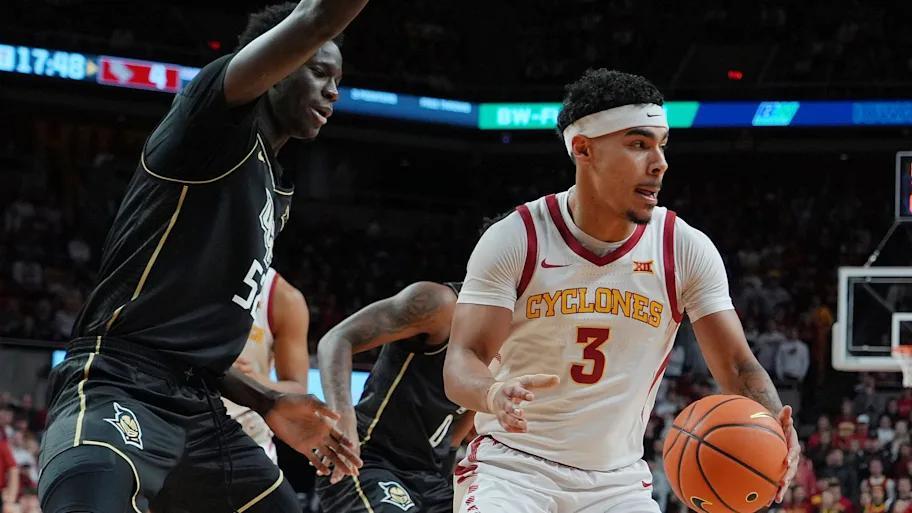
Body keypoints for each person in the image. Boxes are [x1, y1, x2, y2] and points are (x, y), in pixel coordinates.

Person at [37, 2, 369, 513]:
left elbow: (194, 354)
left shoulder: (273, 189)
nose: (333, 91)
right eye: (319, 72)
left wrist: (268, 401)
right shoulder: (212, 126)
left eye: (338, 81)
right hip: (120, 383)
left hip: (200, 406)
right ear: (278, 67)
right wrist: (312, 27)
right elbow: (317, 17)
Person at [443, 68, 800, 513]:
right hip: (514, 471)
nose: (659, 163)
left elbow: (737, 366)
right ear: (583, 149)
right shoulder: (518, 237)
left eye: (662, 145)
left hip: (617, 483)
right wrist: (490, 393)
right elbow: (463, 360)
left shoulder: (682, 247)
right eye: (638, 144)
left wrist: (775, 426)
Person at [316, 281, 475, 513]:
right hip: (368, 459)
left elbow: (470, 407)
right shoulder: (440, 305)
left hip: (429, 476)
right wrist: (343, 418)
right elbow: (337, 339)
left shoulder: (513, 335)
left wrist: (449, 457)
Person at [224, 267, 311, 464]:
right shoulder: (184, 268)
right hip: (179, 423)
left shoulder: (284, 298)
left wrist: (254, 380)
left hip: (246, 437)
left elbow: (298, 389)